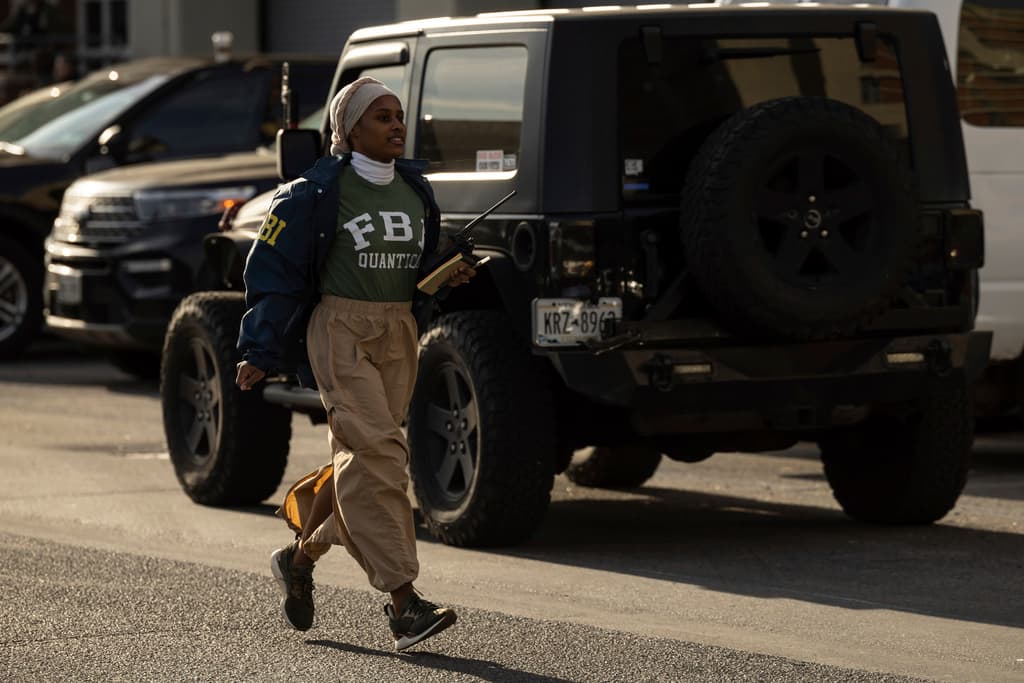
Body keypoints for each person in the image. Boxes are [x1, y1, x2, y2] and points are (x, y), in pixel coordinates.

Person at [234, 76, 474, 651]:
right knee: (382, 456)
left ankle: (299, 557)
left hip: (398, 331)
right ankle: (403, 601)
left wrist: (444, 274)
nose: (396, 124)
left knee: (363, 465)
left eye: (398, 115)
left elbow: (409, 272)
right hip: (339, 332)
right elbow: (272, 277)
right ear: (349, 130)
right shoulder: (309, 194)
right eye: (382, 116)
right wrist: (259, 349)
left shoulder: (416, 191)